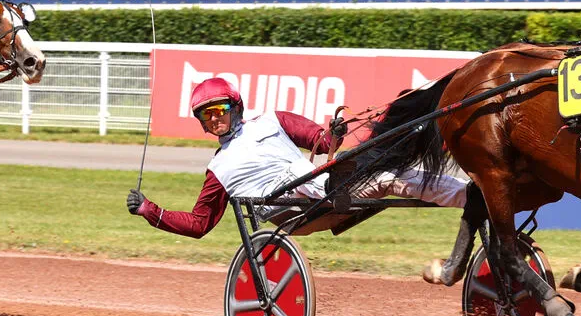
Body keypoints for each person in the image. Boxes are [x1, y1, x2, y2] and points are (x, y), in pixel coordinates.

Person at [126, 77, 469, 238]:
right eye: (206, 116)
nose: (214, 118)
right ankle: (347, 171)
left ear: (235, 106)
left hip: (325, 191)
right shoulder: (217, 169)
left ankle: (474, 196)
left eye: (218, 109)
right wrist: (149, 210)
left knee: (394, 175)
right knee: (314, 169)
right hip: (292, 213)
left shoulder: (273, 120)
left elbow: (320, 140)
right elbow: (200, 224)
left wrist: (333, 133)